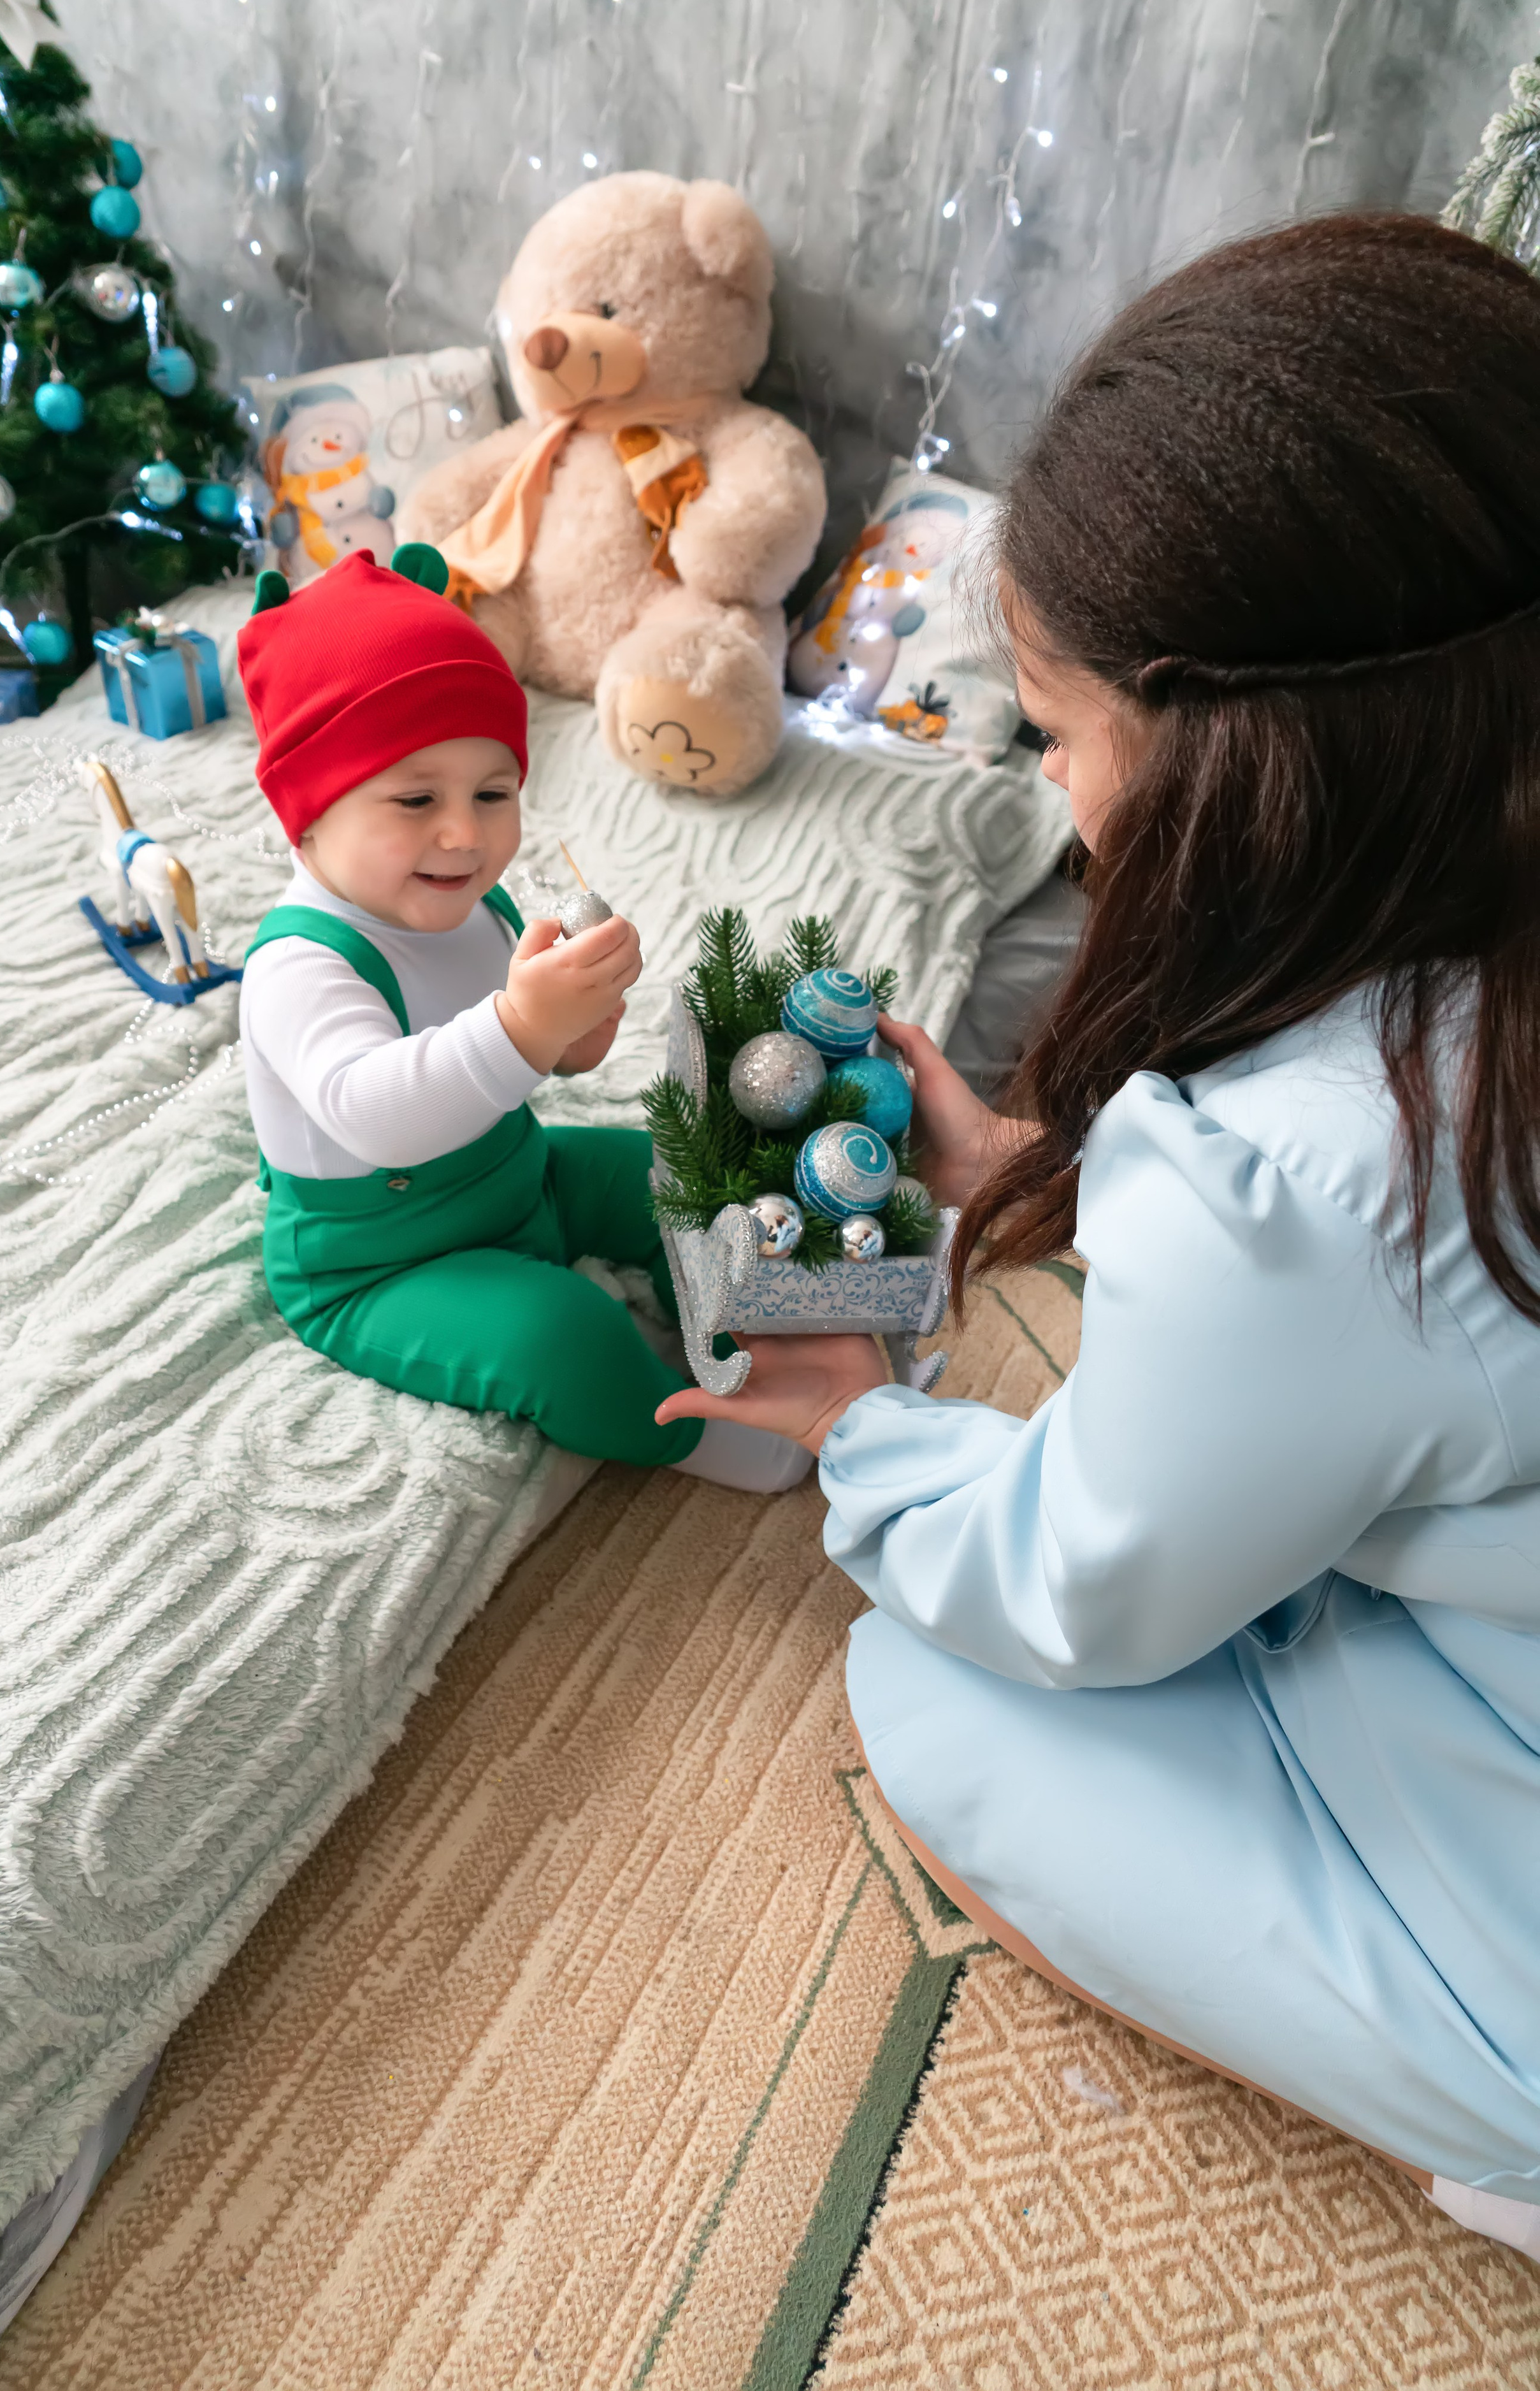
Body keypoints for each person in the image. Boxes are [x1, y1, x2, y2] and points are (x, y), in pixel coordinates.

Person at [656, 214, 1540, 2252]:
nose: (1055, 797)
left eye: (1052, 733)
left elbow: (1084, 1590)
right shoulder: (1440, 1029)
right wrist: (1025, 1168)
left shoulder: (1306, 1178)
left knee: (926, 1690)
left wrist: (858, 1417)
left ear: (1238, 753)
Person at [237, 546, 807, 1491]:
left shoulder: (480, 906)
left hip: (517, 1174)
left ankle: (749, 1332)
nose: (464, 834)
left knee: (678, 1176)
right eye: (415, 799)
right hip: (379, 1263)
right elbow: (376, 1115)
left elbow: (525, 1063)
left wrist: (572, 1038)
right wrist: (522, 1029)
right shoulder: (300, 966)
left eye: (492, 794)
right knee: (561, 1333)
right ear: (306, 814)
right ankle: (692, 1434)